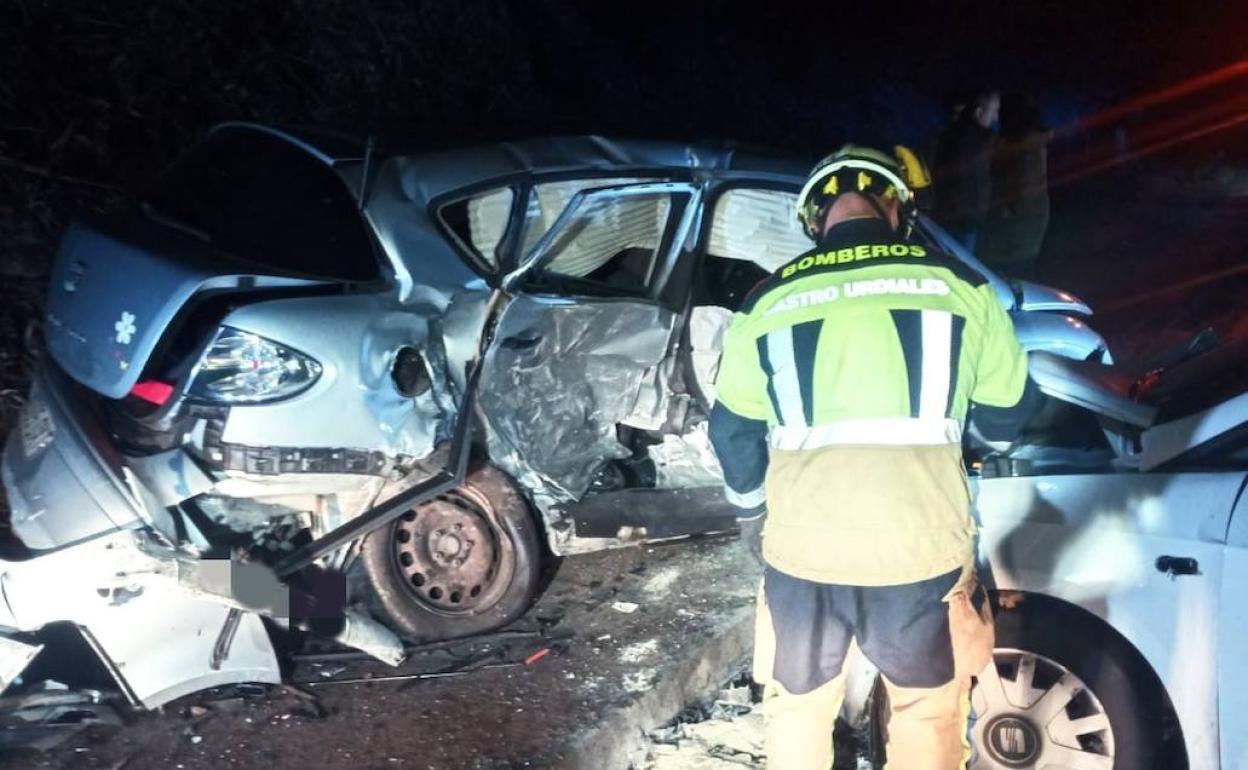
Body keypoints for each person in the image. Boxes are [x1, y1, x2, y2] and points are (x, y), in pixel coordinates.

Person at [708, 144, 1041, 769]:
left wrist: (753, 516)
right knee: (925, 717)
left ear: (815, 219)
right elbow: (1009, 416)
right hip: (919, 556)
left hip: (802, 559)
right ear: (896, 207)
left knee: (797, 713)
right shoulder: (961, 287)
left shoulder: (766, 302)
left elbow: (731, 433)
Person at [981, 92, 1055, 281]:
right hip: (1027, 224)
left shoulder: (1021, 149)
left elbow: (1020, 187)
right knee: (1023, 273)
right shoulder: (1032, 145)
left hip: (1014, 228)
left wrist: (1002, 209)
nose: (997, 118)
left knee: (1011, 279)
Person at [932, 90, 1000, 251]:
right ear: (978, 112)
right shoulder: (964, 141)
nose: (996, 117)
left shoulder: (980, 140)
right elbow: (960, 184)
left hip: (966, 221)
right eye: (994, 111)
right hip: (960, 223)